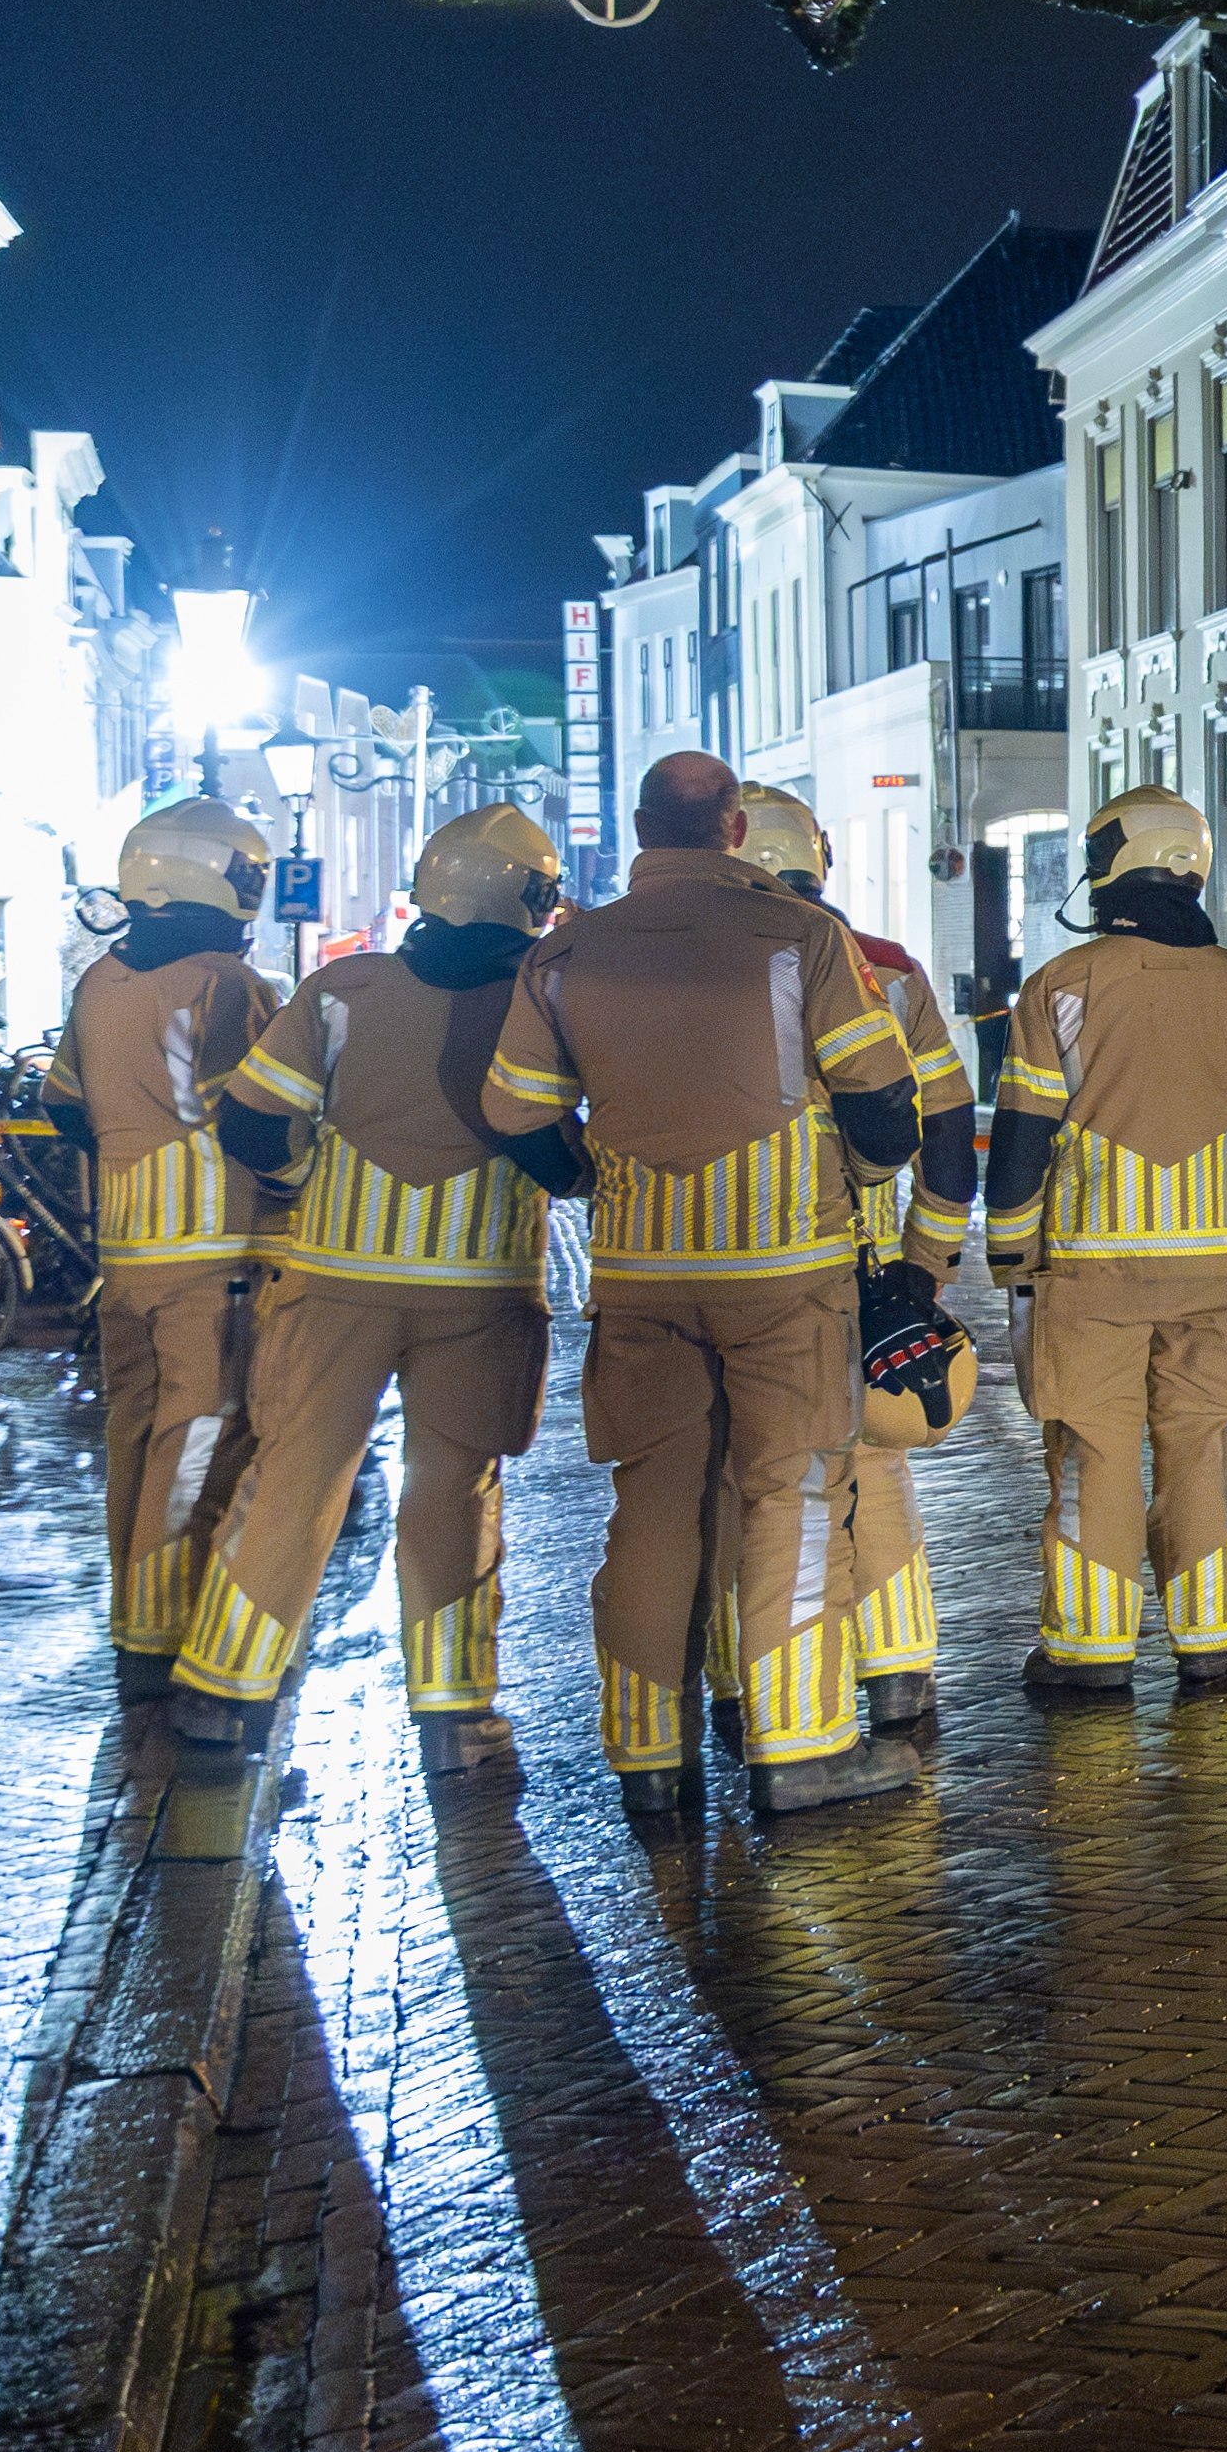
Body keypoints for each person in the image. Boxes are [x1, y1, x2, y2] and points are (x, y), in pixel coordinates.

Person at [475, 752, 926, 1829]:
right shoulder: (801, 936)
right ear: (733, 829)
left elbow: (513, 1109)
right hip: (786, 1274)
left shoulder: (565, 951)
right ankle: (801, 1748)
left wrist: (591, 1178)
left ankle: (647, 1753)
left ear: (640, 830)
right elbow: (881, 1101)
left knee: (653, 1506)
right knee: (791, 1495)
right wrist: (860, 1177)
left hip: (641, 1275)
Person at [168, 808, 567, 1771]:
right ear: (531, 898)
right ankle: (455, 1717)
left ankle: (223, 1690)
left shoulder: (340, 991)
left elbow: (252, 1124)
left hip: (336, 1284)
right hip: (482, 1287)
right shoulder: (543, 1001)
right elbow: (562, 1149)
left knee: (294, 1479)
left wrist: (309, 1181)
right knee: (455, 1491)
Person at [985, 787, 1227, 1697]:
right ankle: (1212, 1640)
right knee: (1200, 1447)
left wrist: (1011, 1257)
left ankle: (1090, 1652)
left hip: (1088, 1270)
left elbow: (1021, 1138)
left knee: (1093, 1452)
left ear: (1111, 867)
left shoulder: (1061, 985)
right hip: (1221, 1271)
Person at [733, 786, 979, 1733]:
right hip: (869, 1269)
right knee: (876, 1467)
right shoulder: (889, 969)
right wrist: (929, 1260)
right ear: (818, 858)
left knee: (750, 1478)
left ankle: (750, 1690)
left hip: (741, 1261)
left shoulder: (700, 965)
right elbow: (947, 1124)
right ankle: (900, 1672)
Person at [45, 798, 291, 1689]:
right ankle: (162, 1637)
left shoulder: (100, 980)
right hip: (216, 1256)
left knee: (138, 1432)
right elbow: (260, 1120)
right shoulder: (226, 984)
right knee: (201, 1442)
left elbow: (64, 1105)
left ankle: (131, 1618)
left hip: (127, 1256)